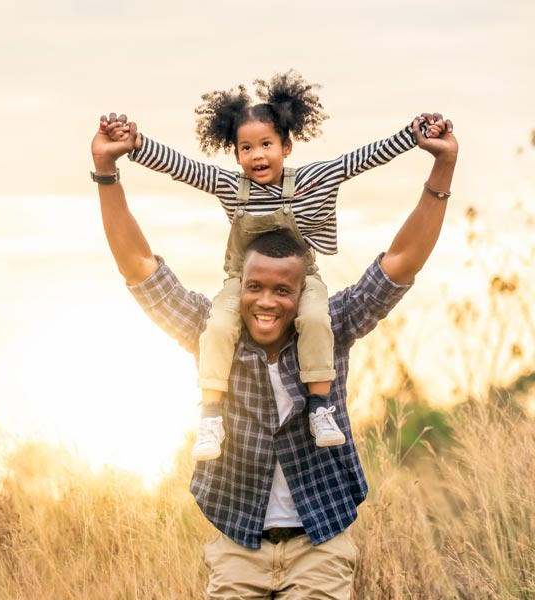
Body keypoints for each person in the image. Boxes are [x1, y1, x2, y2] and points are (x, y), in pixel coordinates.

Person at [91, 111, 457, 598]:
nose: (266, 301)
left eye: (282, 290)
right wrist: (106, 173)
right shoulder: (211, 330)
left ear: (303, 291)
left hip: (319, 547)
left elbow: (401, 262)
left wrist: (442, 168)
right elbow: (139, 267)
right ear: (238, 285)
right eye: (255, 287)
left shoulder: (331, 325)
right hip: (238, 548)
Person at [100, 70, 440, 462]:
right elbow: (182, 168)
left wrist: (412, 136)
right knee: (218, 327)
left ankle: (319, 408)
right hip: (241, 280)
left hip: (302, 280)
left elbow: (360, 160)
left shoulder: (314, 179)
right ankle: (210, 414)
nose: (257, 155)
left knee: (316, 320)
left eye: (266, 144)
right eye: (246, 148)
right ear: (236, 153)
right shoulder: (230, 187)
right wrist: (134, 145)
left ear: (287, 145)